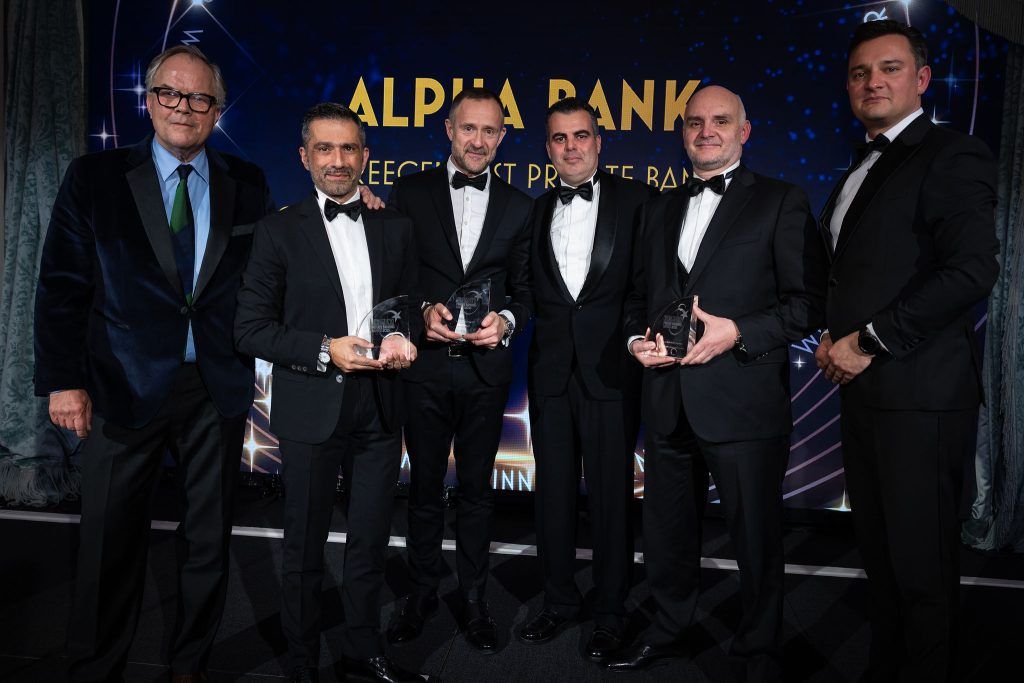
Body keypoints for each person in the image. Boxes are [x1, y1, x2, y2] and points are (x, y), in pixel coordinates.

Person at [34, 45, 272, 683]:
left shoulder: (248, 183)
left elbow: (276, 265)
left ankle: (189, 667)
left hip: (215, 390)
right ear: (149, 101)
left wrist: (362, 201)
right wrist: (63, 381)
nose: (182, 108)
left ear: (217, 111)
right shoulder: (94, 177)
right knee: (108, 543)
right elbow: (61, 286)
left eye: (199, 98)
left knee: (207, 543)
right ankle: (96, 668)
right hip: (120, 385)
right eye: (170, 93)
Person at [606, 85, 827, 681]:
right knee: (666, 534)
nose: (707, 131)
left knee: (755, 539)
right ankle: (668, 631)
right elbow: (638, 298)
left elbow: (808, 304)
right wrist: (635, 341)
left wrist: (738, 332)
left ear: (744, 132)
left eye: (721, 121)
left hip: (742, 401)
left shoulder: (781, 201)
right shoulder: (658, 208)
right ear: (682, 133)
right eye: (695, 122)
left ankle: (759, 649)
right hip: (667, 400)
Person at [814, 19, 999, 682]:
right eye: (860, 73)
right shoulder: (858, 167)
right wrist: (832, 336)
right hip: (864, 394)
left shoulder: (952, 153)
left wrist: (867, 340)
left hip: (922, 396)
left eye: (889, 68)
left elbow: (971, 270)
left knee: (922, 569)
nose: (873, 82)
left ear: (921, 79)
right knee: (883, 559)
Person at [234, 103, 431, 683]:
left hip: (380, 405)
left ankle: (362, 652)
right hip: (311, 405)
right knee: (303, 546)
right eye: (325, 148)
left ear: (365, 156)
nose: (338, 160)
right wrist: (325, 348)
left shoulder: (395, 225)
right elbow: (249, 328)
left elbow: (408, 307)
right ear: (305, 157)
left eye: (348, 148)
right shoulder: (277, 230)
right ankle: (303, 663)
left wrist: (403, 335)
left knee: (369, 542)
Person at [385, 87, 533, 653]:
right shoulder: (410, 191)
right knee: (424, 488)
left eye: (489, 131)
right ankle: (420, 593)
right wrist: (420, 311)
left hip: (484, 373)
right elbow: (393, 273)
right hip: (423, 369)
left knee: (476, 492)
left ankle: (473, 598)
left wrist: (508, 321)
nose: (478, 140)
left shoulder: (520, 206)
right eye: (468, 128)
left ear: (502, 137)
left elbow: (526, 290)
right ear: (449, 129)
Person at [517, 97, 656, 661]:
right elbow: (524, 288)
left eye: (581, 136)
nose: (570, 147)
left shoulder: (638, 201)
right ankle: (558, 600)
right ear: (547, 148)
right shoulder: (535, 209)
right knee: (551, 496)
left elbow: (647, 285)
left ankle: (609, 612)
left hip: (612, 372)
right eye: (559, 138)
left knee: (610, 499)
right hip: (550, 374)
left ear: (599, 142)